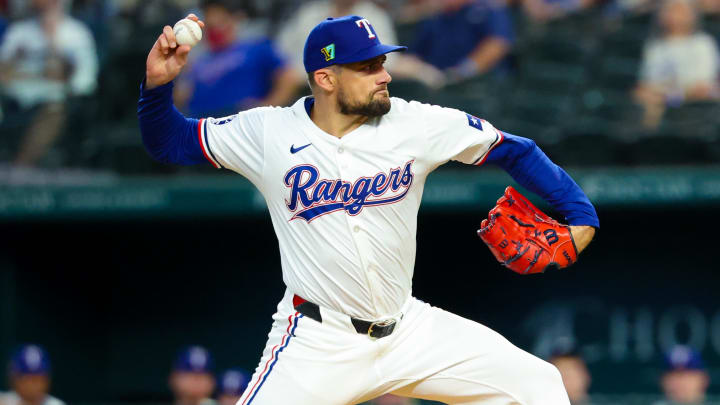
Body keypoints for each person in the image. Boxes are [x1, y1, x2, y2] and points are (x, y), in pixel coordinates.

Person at [138, 13, 598, 404]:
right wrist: (157, 87)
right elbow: (169, 143)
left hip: (409, 328)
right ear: (326, 78)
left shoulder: (414, 122)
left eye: (382, 61)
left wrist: (580, 215)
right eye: (368, 66)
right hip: (319, 340)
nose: (386, 75)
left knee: (540, 386)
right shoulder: (267, 132)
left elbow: (512, 149)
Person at [0, 0, 98, 166]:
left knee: (55, 109)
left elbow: (84, 80)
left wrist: (53, 46)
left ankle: (21, 166)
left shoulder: (77, 34)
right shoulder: (19, 32)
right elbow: (3, 71)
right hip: (15, 99)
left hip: (57, 100)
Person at [276, 0, 446, 89]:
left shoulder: (373, 14)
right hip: (305, 71)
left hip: (354, 71)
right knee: (286, 75)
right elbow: (281, 49)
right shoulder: (311, 12)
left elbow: (387, 57)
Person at [173, 0, 297, 118]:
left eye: (220, 21)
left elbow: (288, 78)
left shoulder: (256, 48)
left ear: (236, 19)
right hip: (202, 124)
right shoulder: (198, 61)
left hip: (239, 121)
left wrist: (266, 108)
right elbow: (180, 99)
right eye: (210, 24)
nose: (215, 28)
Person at [633, 0, 720, 129]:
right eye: (670, 11)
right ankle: (648, 139)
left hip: (695, 103)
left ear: (692, 15)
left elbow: (702, 86)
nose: (674, 16)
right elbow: (646, 84)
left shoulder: (703, 44)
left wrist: (670, 95)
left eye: (680, 11)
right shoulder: (655, 46)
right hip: (661, 100)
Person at [408, 0, 514, 83]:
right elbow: (416, 54)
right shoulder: (435, 16)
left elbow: (498, 44)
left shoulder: (487, 9)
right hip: (437, 82)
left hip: (480, 85)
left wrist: (464, 71)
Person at [0, 345, 65, 405]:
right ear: (14, 379)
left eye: (37, 379)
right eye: (26, 379)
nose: (31, 386)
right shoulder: (5, 400)